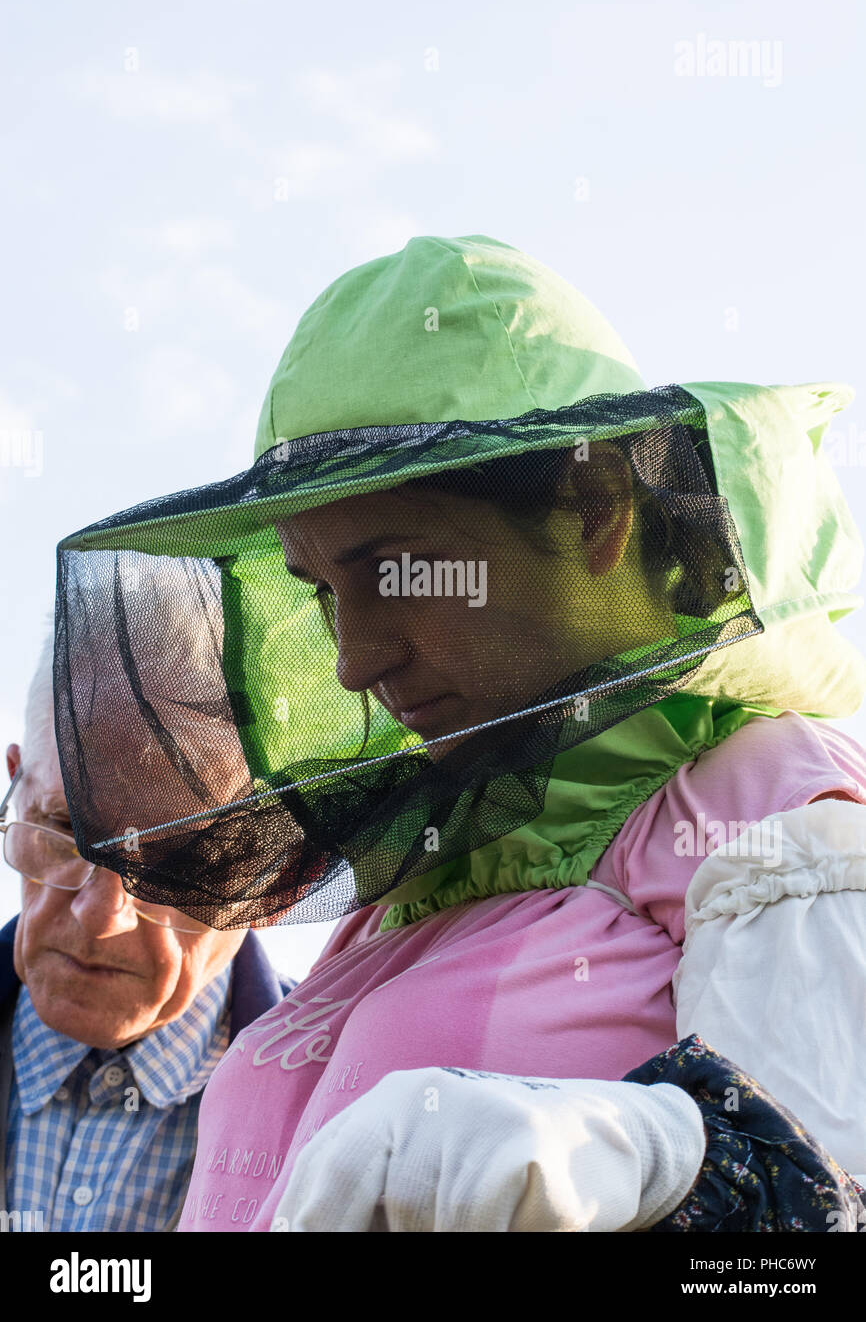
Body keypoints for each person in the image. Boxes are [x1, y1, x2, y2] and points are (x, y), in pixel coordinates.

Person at [51, 234, 866, 1232]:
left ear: (593, 509)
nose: (353, 659)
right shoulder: (419, 872)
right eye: (320, 590)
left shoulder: (772, 810)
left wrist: (646, 1159)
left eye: (396, 567)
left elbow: (818, 1208)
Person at [0, 623, 294, 1232]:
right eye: (67, 829)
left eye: (174, 864)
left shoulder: (342, 1106)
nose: (99, 915)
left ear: (279, 879)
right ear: (14, 786)